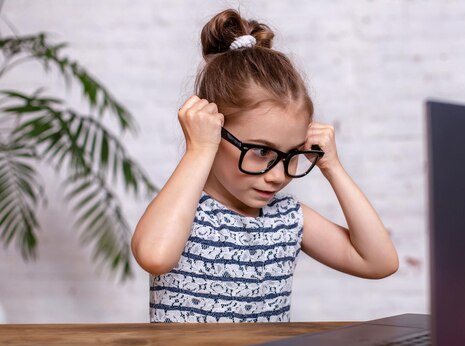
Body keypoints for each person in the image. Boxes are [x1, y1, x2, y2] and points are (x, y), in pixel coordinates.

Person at [131, 8, 398, 323]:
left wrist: (333, 168)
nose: (277, 176)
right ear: (216, 131)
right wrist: (200, 149)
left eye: (291, 155)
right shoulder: (184, 213)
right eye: (260, 152)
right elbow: (154, 255)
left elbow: (379, 262)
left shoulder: (286, 219)